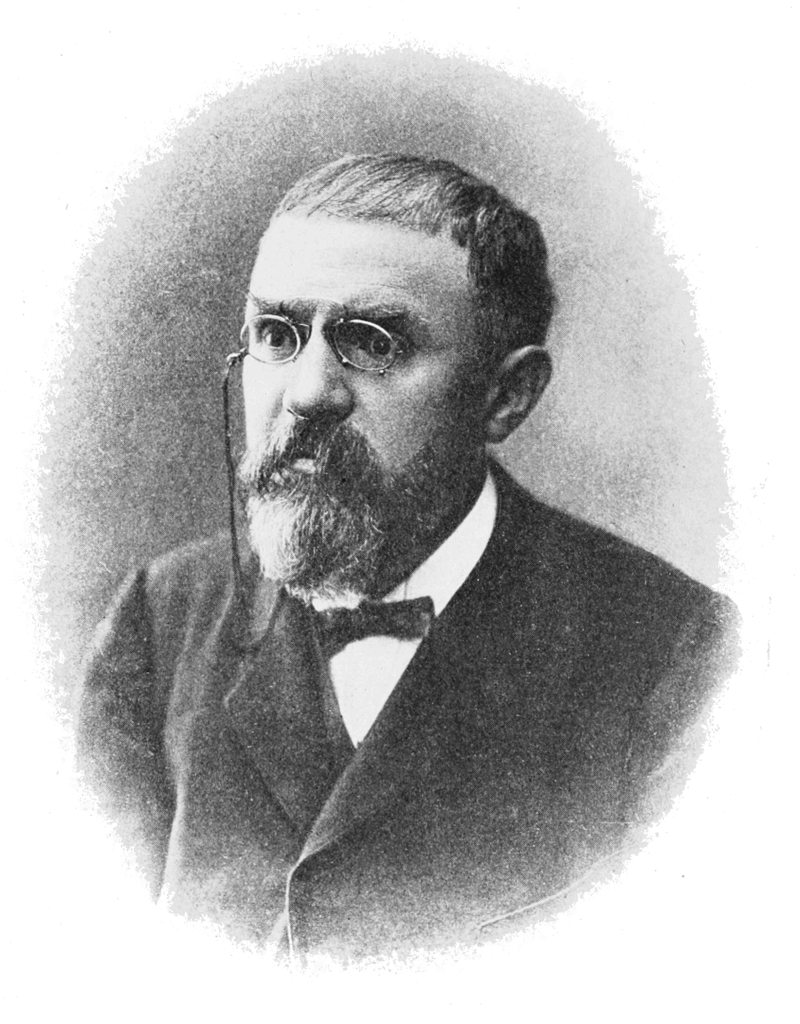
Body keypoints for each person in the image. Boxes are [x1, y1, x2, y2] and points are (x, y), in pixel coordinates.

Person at [77, 153, 738, 962]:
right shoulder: (160, 619)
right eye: (277, 335)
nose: (307, 393)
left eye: (372, 343)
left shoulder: (681, 662)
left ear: (506, 397)